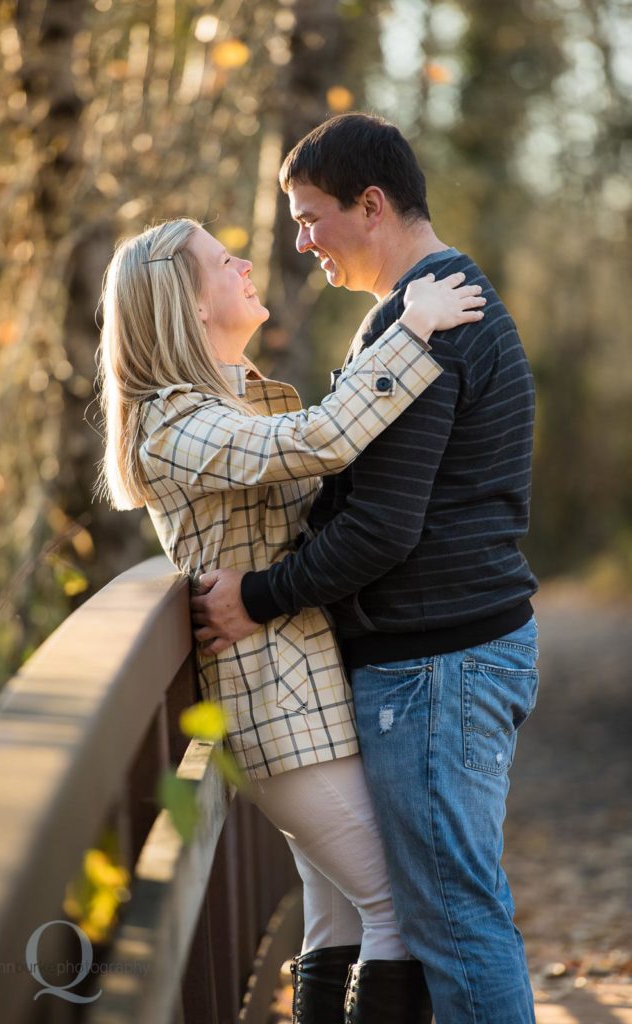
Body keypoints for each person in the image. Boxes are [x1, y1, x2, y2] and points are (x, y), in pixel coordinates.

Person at [191, 114, 540, 1024]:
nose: (301, 243)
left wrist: (259, 596)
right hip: (454, 656)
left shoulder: (426, 319)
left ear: (371, 205)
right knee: (451, 911)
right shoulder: (437, 305)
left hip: (437, 665)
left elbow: (380, 526)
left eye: (311, 219)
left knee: (456, 921)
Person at [94, 216, 486, 1023]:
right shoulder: (173, 424)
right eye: (221, 259)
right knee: (399, 911)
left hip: (313, 682)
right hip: (278, 700)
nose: (243, 264)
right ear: (188, 304)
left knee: (339, 916)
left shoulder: (235, 401)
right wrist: (411, 330)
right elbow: (320, 443)